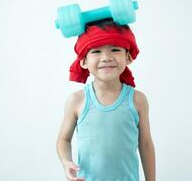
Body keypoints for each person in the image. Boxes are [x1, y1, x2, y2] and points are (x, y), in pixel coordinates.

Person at [56, 18, 156, 181]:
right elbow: (63, 139)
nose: (106, 57)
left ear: (128, 57)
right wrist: (66, 162)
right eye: (96, 51)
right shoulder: (76, 101)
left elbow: (145, 144)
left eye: (115, 49)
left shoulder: (137, 100)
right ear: (84, 61)